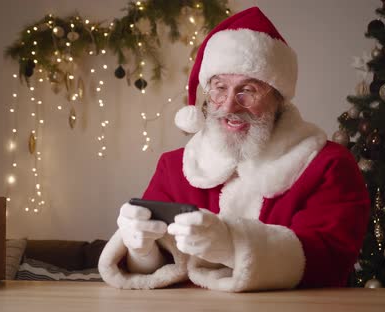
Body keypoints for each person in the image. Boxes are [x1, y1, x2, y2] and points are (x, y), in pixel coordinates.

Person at [98, 6, 370, 292]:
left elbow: (330, 260)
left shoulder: (328, 165)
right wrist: (142, 252)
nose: (229, 106)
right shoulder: (175, 167)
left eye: (248, 90)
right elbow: (160, 268)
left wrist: (233, 245)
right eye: (219, 88)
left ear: (278, 99)